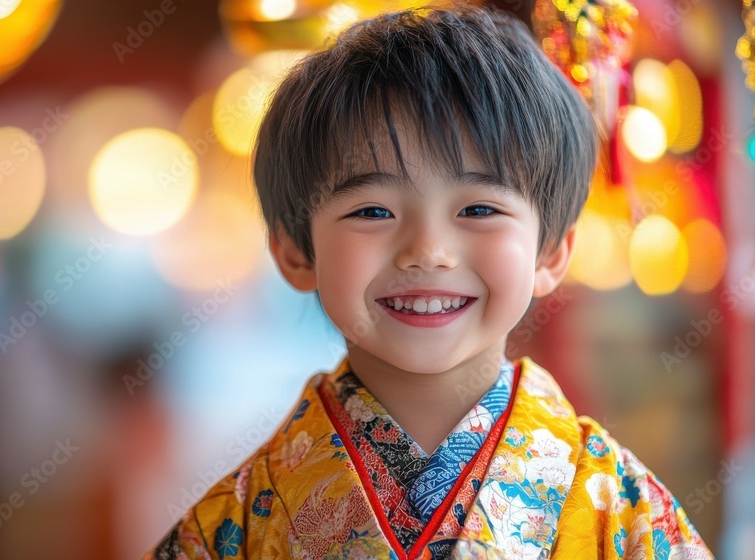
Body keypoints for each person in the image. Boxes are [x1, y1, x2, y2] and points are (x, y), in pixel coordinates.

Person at [144, 6, 714, 559]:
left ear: (551, 251)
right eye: (371, 211)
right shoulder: (230, 529)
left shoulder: (623, 513)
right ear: (295, 250)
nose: (428, 252)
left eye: (479, 209)